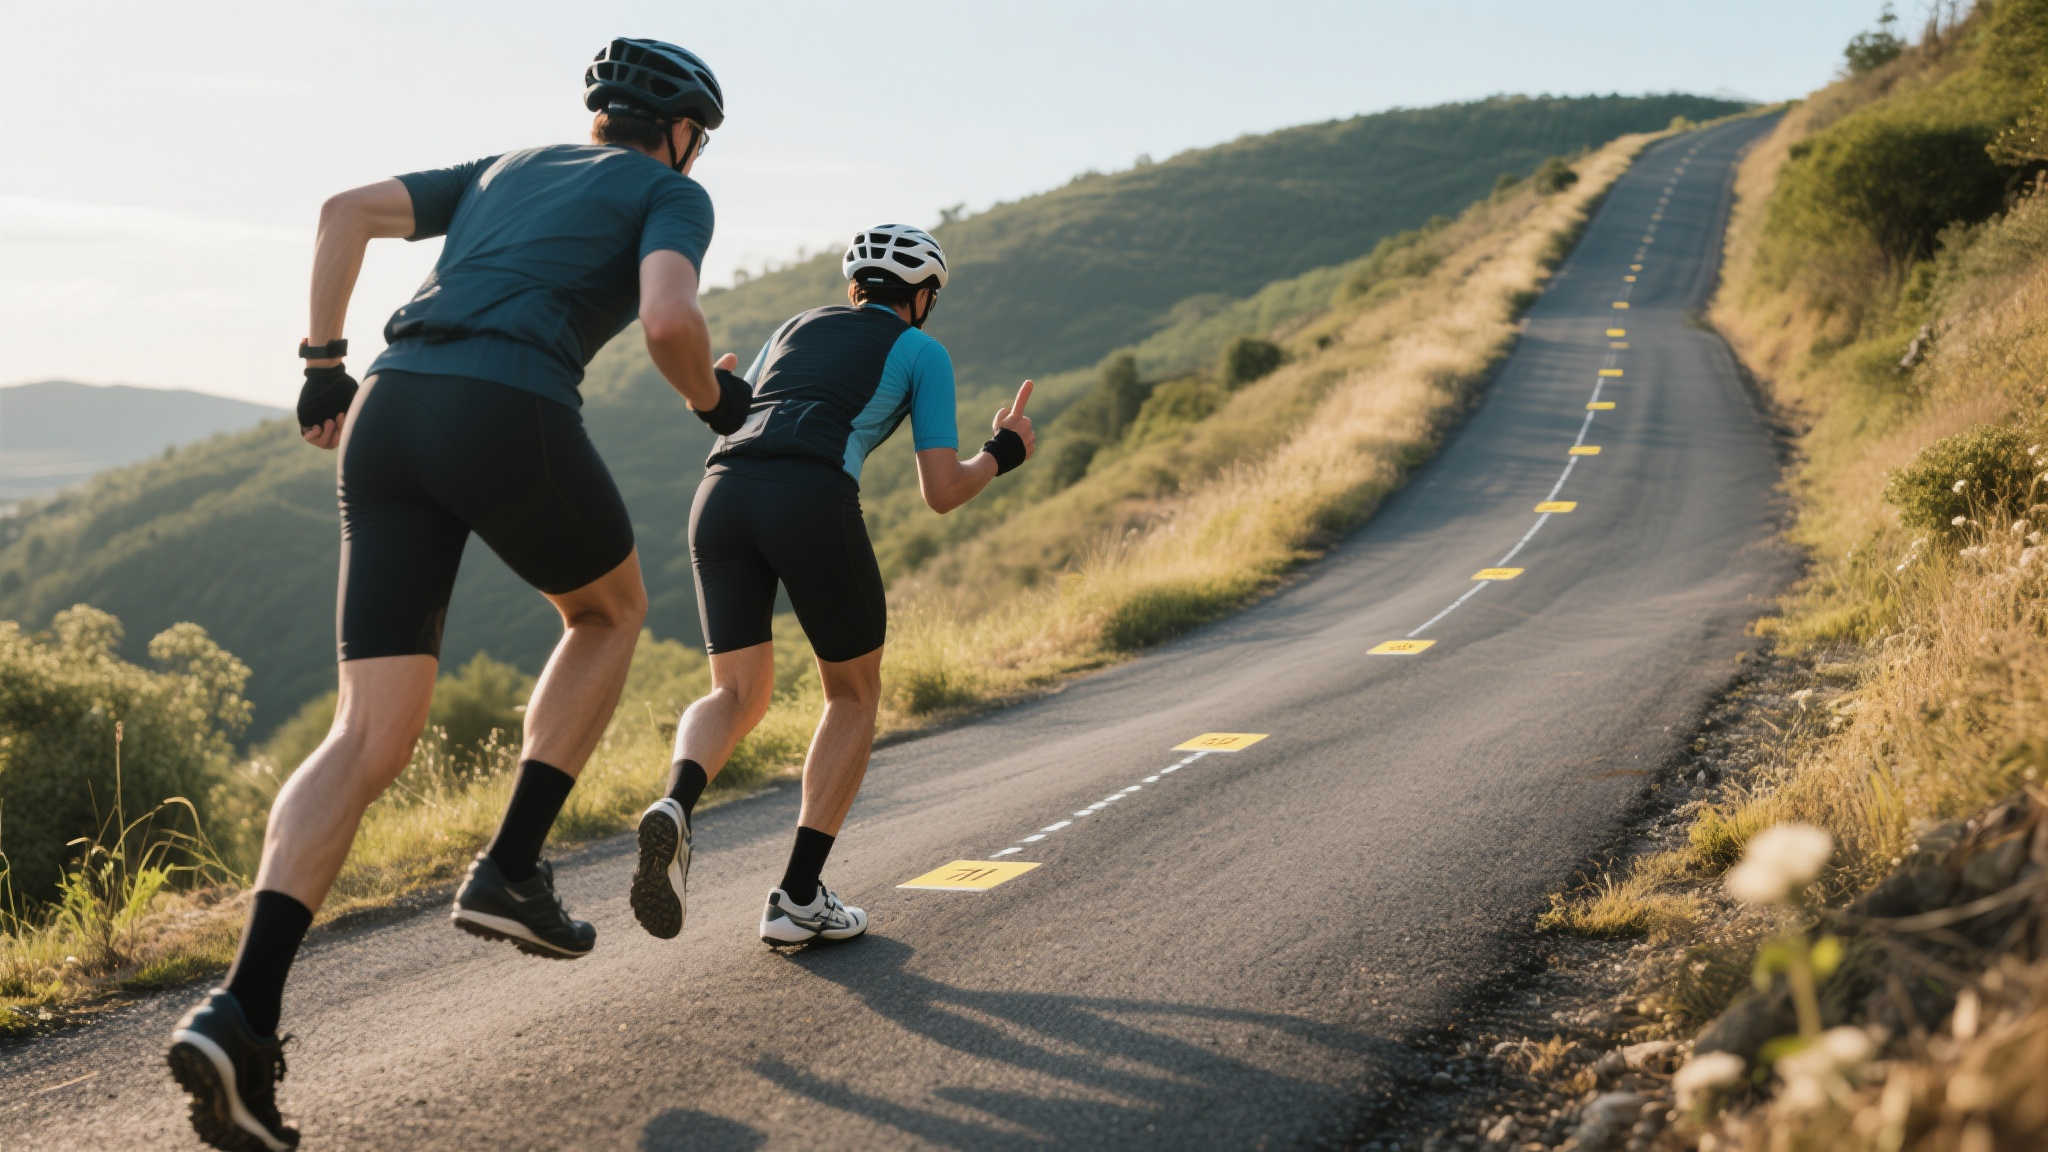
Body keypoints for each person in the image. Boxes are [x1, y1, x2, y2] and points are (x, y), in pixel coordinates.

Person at [167, 38, 728, 1151]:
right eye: (700, 140)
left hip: (385, 410)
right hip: (502, 404)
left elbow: (342, 210)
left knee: (365, 733)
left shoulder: (505, 166)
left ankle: (244, 1012)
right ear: (678, 132)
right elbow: (668, 322)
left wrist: (323, 363)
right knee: (609, 612)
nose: (697, 156)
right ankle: (514, 865)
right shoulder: (671, 192)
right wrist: (715, 403)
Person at [629, 224, 1037, 950]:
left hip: (719, 495)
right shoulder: (921, 351)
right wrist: (1002, 452)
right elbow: (941, 492)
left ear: (854, 287)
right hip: (810, 496)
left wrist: (714, 390)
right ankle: (797, 897)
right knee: (851, 693)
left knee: (734, 692)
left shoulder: (793, 325)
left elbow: (730, 407)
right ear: (923, 296)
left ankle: (676, 803)